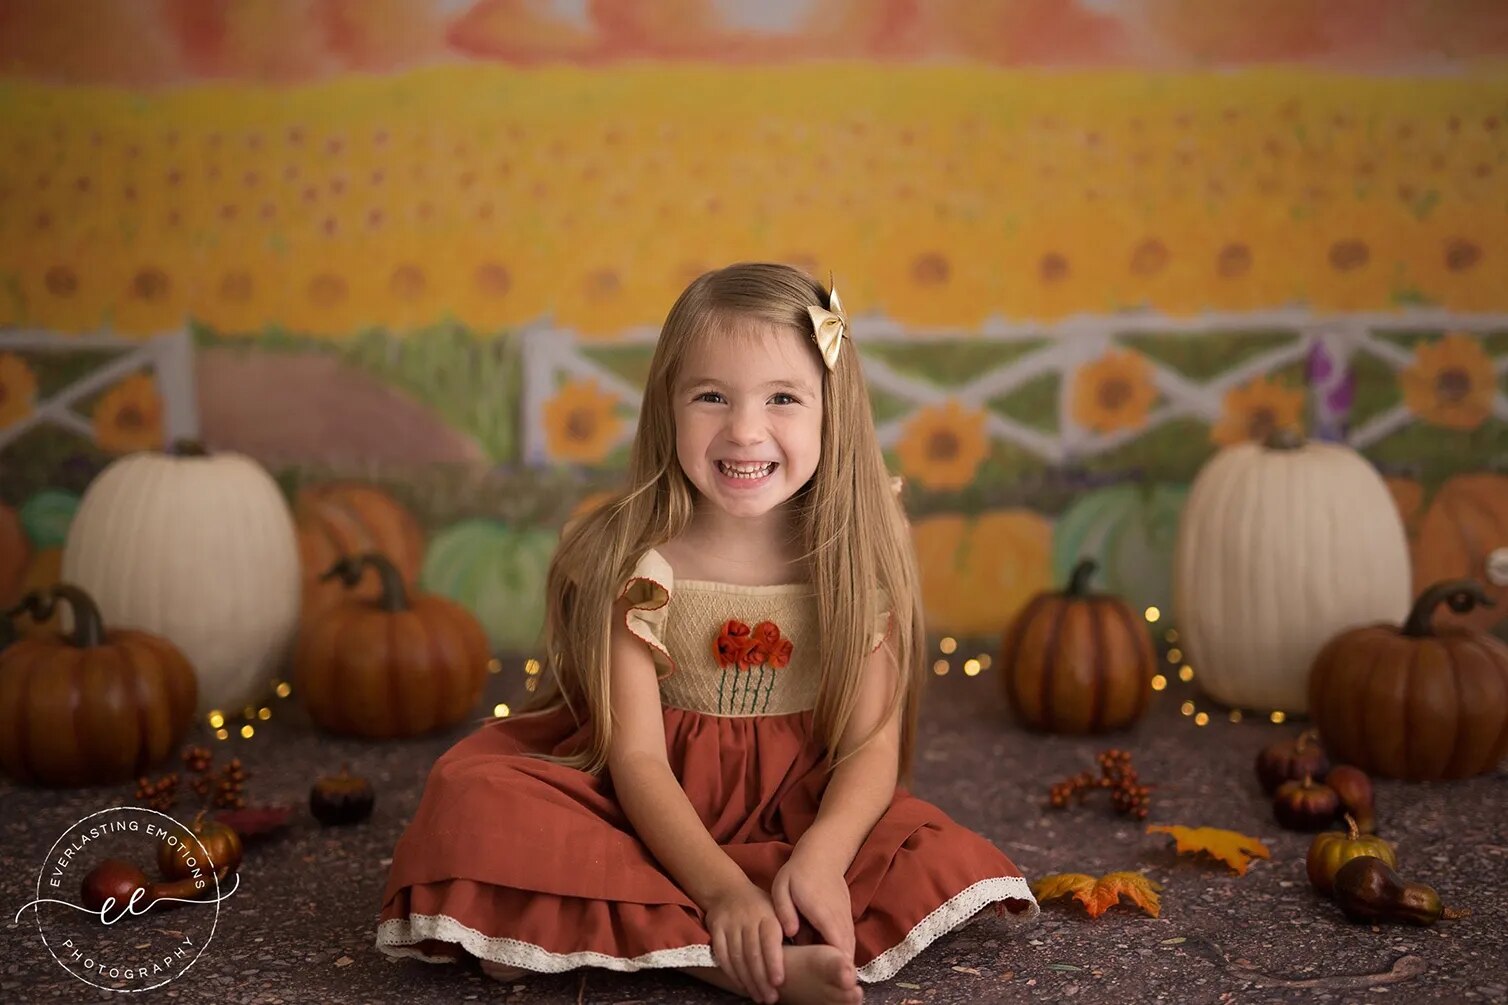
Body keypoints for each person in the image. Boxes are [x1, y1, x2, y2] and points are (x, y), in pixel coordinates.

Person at [376, 263, 1038, 1004]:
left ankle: (595, 927)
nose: (745, 430)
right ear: (668, 405)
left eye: (783, 397)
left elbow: (869, 746)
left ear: (832, 408)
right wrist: (723, 890)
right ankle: (734, 961)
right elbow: (634, 758)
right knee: (474, 798)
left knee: (911, 847)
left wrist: (821, 855)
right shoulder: (633, 556)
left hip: (797, 807)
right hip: (644, 805)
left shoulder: (857, 548)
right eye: (712, 396)